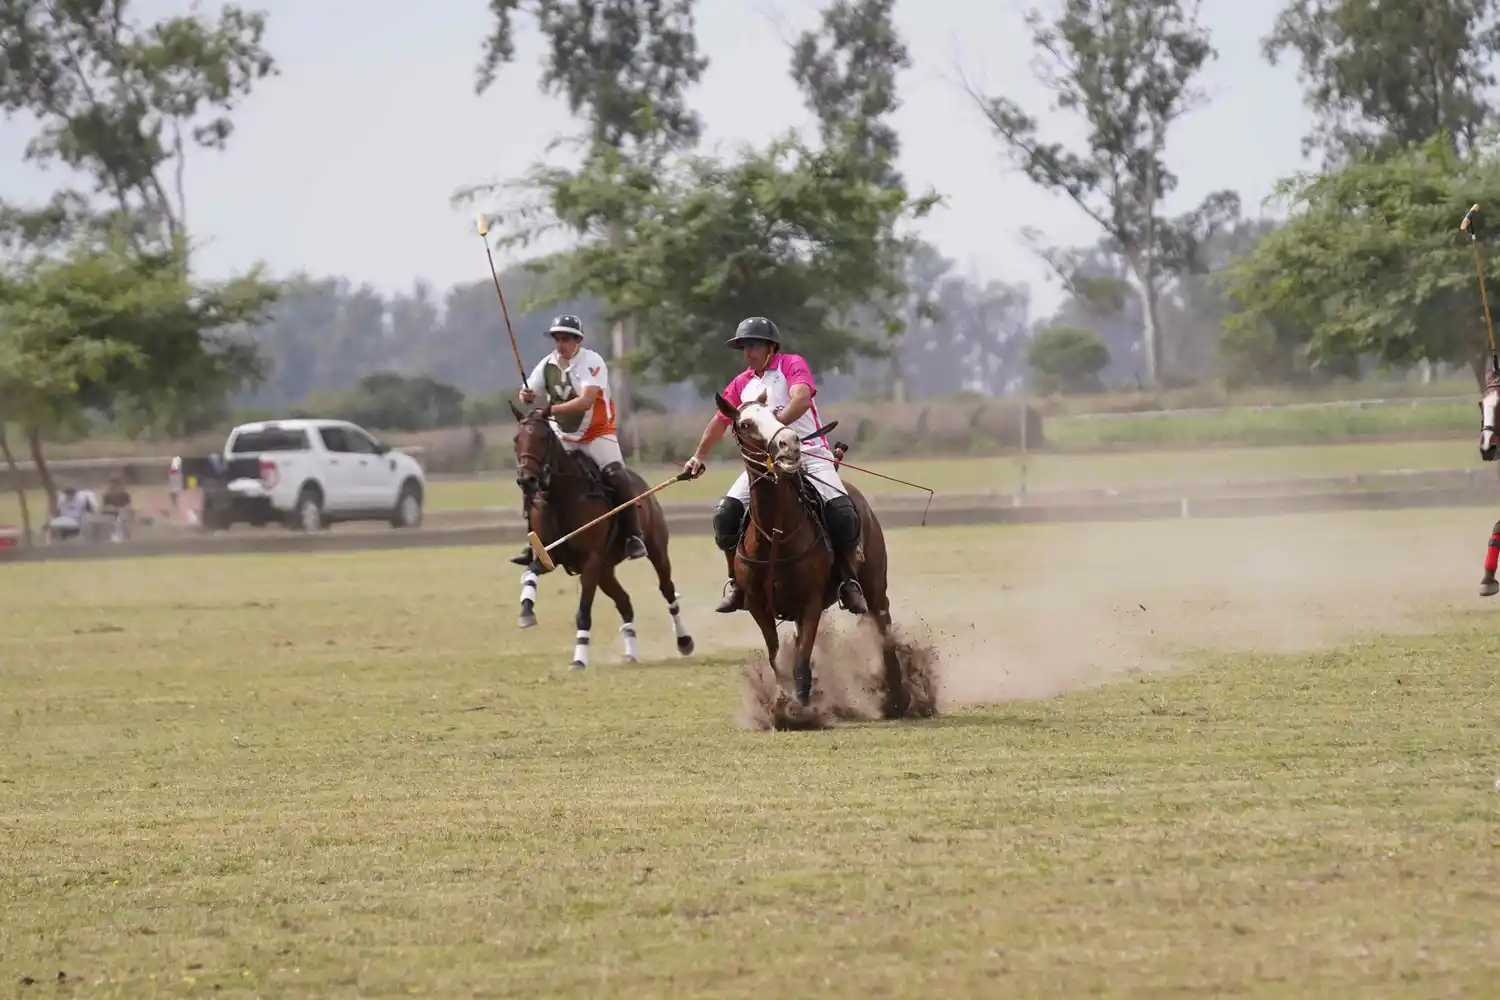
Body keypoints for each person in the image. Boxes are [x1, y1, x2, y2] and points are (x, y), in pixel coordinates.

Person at [681, 316, 868, 615]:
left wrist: (774, 428)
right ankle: (737, 584)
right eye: (743, 347)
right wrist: (698, 456)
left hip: (807, 453)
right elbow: (720, 421)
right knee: (725, 514)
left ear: (771, 346)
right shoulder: (741, 383)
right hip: (763, 465)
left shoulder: (791, 365)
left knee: (842, 512)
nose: (747, 352)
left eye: (753, 345)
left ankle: (848, 581)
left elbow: (801, 399)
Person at [510, 314, 648, 567]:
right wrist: (526, 395)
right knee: (534, 476)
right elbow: (527, 394)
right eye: (557, 339)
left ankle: (633, 535)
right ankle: (534, 541)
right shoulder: (547, 364)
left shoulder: (592, 362)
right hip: (563, 436)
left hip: (597, 433)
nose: (560, 344)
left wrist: (550, 409)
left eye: (565, 339)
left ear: (578, 341)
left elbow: (585, 401)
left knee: (618, 477)